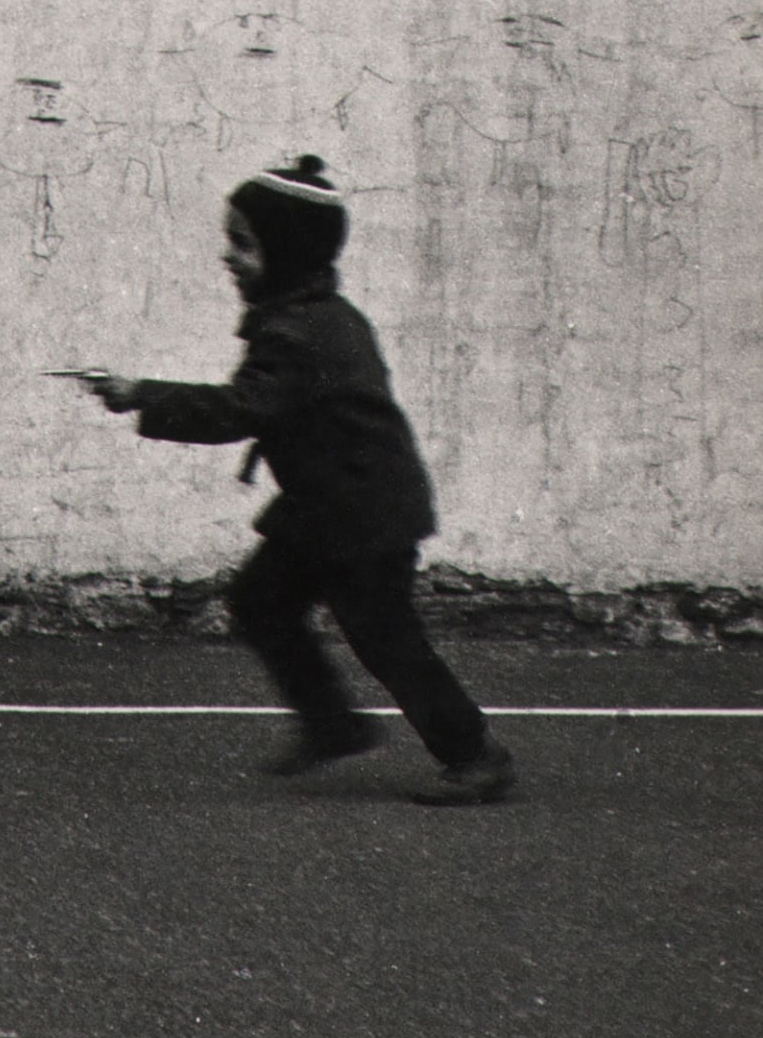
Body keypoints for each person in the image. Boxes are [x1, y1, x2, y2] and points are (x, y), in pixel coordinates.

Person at [74, 155, 516, 806]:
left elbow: (239, 409)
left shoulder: (299, 332)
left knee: (384, 638)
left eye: (243, 243)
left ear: (287, 250)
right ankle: (330, 724)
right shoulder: (314, 313)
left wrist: (142, 394)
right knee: (260, 601)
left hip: (361, 516)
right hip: (327, 507)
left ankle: (474, 755)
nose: (228, 257)